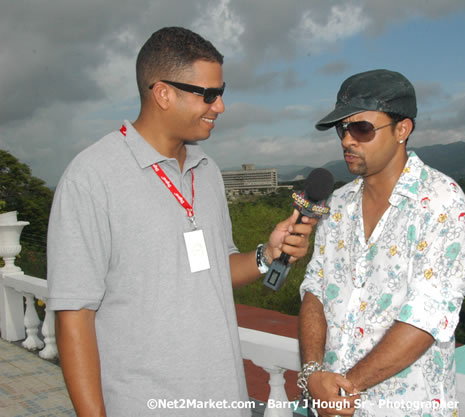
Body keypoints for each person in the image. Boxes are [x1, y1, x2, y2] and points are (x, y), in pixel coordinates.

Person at [47, 27, 315, 417]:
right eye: (209, 94)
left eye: (221, 92)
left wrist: (267, 255)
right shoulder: (91, 178)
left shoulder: (207, 171)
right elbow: (74, 315)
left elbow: (215, 269)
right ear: (163, 94)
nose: (220, 106)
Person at [298, 69, 465, 417]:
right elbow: (315, 289)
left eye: (361, 128)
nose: (347, 140)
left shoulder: (442, 204)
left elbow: (426, 317)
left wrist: (343, 389)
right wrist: (312, 374)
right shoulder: (338, 204)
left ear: (402, 129)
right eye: (342, 129)